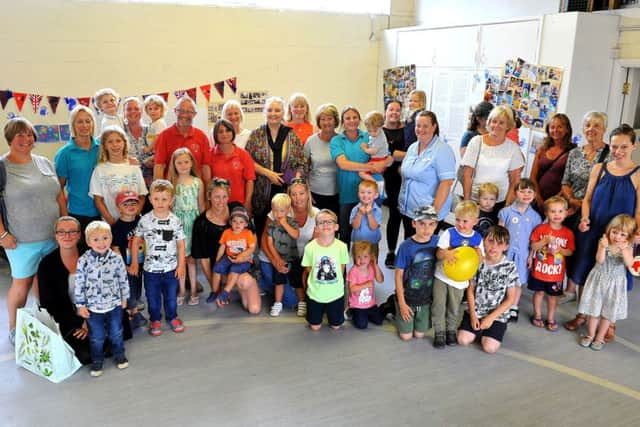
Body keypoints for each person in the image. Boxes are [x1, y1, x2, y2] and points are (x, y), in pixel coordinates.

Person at [565, 124, 640, 341]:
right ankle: (583, 312)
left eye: (623, 147)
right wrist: (585, 219)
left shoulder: (637, 174)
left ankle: (610, 321)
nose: (618, 151)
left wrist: (635, 235)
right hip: (596, 229)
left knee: (615, 278)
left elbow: (638, 210)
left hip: (621, 236)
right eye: (615, 146)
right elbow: (587, 199)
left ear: (633, 146)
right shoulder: (600, 168)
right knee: (586, 270)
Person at [1, 117, 66, 345]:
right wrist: (2, 235)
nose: (26, 139)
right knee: (23, 283)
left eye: (29, 134)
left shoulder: (44, 162)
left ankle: (44, 320)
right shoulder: (2, 167)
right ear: (10, 138)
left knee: (45, 282)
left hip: (52, 236)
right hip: (21, 240)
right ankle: (13, 328)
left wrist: (65, 223)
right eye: (20, 135)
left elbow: (58, 195)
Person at [560, 111, 611, 302]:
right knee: (570, 247)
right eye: (588, 125)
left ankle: (579, 292)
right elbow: (565, 182)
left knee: (585, 250)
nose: (592, 129)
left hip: (594, 210)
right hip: (572, 208)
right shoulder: (574, 153)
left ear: (604, 129)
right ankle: (568, 287)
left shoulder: (610, 155)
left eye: (597, 125)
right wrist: (573, 201)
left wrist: (586, 205)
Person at [193, 179, 261, 314]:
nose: (220, 201)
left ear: (229, 196)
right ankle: (224, 289)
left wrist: (244, 255)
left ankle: (248, 284)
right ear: (209, 196)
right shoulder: (201, 223)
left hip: (241, 264)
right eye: (216, 196)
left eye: (224, 196)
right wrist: (215, 287)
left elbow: (252, 237)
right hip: (221, 269)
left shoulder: (237, 210)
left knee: (254, 309)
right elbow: (205, 260)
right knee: (223, 273)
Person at [129, 180, 186, 336]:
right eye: (156, 199)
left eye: (164, 199)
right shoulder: (145, 220)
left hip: (170, 269)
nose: (160, 203)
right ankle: (155, 319)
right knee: (152, 298)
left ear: (171, 200)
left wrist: (181, 266)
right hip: (150, 270)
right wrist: (134, 262)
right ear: (150, 199)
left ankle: (172, 317)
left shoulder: (175, 221)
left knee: (171, 298)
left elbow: (181, 245)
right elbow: (135, 242)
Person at [245, 96, 308, 238]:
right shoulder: (256, 135)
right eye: (270, 110)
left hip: (286, 192)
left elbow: (301, 162)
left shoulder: (291, 135)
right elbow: (248, 161)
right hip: (262, 193)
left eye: (277, 110)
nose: (273, 113)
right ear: (265, 112)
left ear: (283, 113)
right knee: (264, 231)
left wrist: (296, 182)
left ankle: (283, 260)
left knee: (284, 231)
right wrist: (268, 173)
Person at [74, 221, 130, 377]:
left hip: (114, 305)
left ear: (111, 239)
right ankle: (97, 360)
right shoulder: (84, 260)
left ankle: (119, 354)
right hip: (94, 308)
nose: (101, 243)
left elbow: (123, 279)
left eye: (105, 238)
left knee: (116, 333)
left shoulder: (116, 258)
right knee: (96, 337)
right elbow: (79, 284)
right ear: (88, 242)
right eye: (96, 239)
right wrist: (81, 305)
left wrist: (124, 297)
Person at [330, 106, 388, 246]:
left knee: (368, 234)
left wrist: (383, 164)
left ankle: (368, 267)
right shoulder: (337, 140)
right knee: (345, 233)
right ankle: (344, 268)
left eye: (355, 117)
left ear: (360, 120)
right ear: (342, 122)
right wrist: (369, 167)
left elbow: (386, 155)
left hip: (369, 194)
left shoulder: (369, 135)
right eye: (347, 118)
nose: (351, 120)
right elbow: (343, 164)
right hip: (347, 194)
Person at [38, 216, 91, 364]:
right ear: (55, 235)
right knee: (86, 355)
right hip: (68, 317)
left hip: (95, 312)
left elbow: (104, 289)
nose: (67, 236)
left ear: (80, 235)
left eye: (72, 231)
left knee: (114, 341)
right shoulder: (47, 264)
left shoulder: (91, 255)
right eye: (61, 232)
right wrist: (79, 323)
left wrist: (90, 320)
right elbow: (49, 304)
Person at [457, 225, 518, 354]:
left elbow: (510, 299)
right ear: (484, 241)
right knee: (463, 340)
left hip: (497, 315)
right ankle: (477, 329)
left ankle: (493, 331)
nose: (493, 247)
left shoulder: (509, 267)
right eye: (490, 241)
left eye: (499, 243)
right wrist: (473, 316)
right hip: (476, 310)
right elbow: (470, 290)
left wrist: (491, 318)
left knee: (489, 348)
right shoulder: (477, 262)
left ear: (506, 247)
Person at [578, 214, 635, 351]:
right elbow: (600, 260)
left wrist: (625, 250)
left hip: (615, 283)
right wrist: (603, 247)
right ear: (609, 230)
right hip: (599, 278)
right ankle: (591, 335)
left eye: (622, 234)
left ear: (628, 236)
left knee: (607, 312)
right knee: (594, 310)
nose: (617, 237)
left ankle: (600, 337)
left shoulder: (628, 246)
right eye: (614, 232)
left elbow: (630, 264)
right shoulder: (604, 241)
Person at [433, 200, 483, 348]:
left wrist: (479, 254)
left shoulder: (477, 238)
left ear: (475, 221)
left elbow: (479, 260)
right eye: (457, 220)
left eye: (465, 221)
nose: (460, 224)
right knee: (439, 305)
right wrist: (446, 254)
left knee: (453, 307)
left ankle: (450, 330)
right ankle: (439, 332)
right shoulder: (449, 233)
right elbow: (439, 253)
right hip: (441, 277)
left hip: (460, 281)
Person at [398, 111, 455, 236]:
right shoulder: (413, 147)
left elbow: (446, 183)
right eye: (418, 126)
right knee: (410, 245)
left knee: (424, 252)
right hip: (409, 210)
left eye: (425, 126)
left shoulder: (442, 150)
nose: (420, 129)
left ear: (434, 127)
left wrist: (432, 214)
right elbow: (406, 174)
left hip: (427, 216)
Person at [461, 105, 524, 209]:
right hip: (475, 201)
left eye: (501, 122)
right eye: (494, 121)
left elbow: (515, 180)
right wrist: (467, 202)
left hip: (499, 203)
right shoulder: (476, 142)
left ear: (508, 125)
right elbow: (467, 175)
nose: (496, 125)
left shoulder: (513, 148)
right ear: (489, 123)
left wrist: (507, 206)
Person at [498, 178, 542, 322]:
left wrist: (531, 256)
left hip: (523, 254)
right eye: (522, 191)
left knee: (518, 282)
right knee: (503, 279)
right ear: (515, 193)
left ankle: (513, 306)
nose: (526, 194)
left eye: (530, 191)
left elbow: (535, 240)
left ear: (534, 195)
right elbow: (500, 234)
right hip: (506, 253)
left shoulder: (535, 217)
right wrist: (499, 252)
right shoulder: (506, 212)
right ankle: (500, 304)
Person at [528, 196, 575, 331]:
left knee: (553, 297)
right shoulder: (540, 229)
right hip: (539, 270)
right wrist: (544, 241)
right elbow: (534, 246)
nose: (556, 214)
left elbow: (570, 252)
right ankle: (536, 315)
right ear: (546, 213)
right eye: (553, 211)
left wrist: (560, 249)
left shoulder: (568, 233)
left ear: (566, 213)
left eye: (560, 211)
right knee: (538, 293)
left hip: (556, 274)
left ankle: (551, 318)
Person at [394, 205, 439, 341]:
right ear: (414, 223)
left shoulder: (438, 242)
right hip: (408, 297)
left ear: (436, 225)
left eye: (431, 224)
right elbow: (398, 275)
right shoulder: (406, 246)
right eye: (422, 224)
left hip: (425, 298)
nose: (426, 229)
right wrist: (402, 303)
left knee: (419, 335)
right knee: (406, 336)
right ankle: (394, 304)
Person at [55, 105, 101, 236]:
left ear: (93, 123)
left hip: (103, 211)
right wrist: (65, 218)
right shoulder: (65, 153)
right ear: (73, 125)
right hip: (78, 213)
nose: (84, 125)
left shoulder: (102, 148)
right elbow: (58, 189)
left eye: (88, 121)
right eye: (80, 121)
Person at [167, 147, 205, 306]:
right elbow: (168, 206)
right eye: (179, 162)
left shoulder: (197, 182)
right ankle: (182, 289)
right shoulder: (172, 183)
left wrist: (202, 226)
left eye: (186, 162)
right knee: (180, 259)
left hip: (193, 223)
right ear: (174, 165)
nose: (183, 165)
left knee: (191, 260)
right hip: (178, 225)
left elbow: (201, 205)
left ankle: (194, 288)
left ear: (191, 163)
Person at [301, 209, 350, 331]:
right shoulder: (310, 247)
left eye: (329, 222)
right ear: (316, 228)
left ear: (336, 226)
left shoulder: (342, 247)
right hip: (315, 294)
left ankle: (334, 314)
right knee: (315, 327)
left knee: (336, 326)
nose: (326, 225)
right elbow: (308, 268)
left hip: (335, 294)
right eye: (321, 222)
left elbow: (342, 268)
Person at [89, 125, 148, 224]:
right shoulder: (100, 170)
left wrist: (134, 217)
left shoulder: (134, 167)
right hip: (111, 223)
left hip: (133, 222)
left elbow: (142, 195)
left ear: (124, 143)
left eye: (118, 141)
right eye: (110, 142)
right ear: (104, 146)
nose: (115, 145)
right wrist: (111, 221)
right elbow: (98, 200)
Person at [153, 96, 212, 184]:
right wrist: (159, 191)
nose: (184, 114)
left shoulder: (202, 137)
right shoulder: (164, 136)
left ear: (194, 114)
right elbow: (159, 167)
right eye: (181, 110)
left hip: (195, 191)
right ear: (175, 111)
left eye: (189, 111)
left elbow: (205, 167)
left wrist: (208, 193)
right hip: (172, 191)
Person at [110, 191, 147, 329]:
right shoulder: (117, 227)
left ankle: (134, 305)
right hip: (127, 265)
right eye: (126, 204)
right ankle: (133, 313)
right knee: (129, 288)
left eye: (133, 203)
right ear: (119, 207)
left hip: (142, 261)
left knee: (137, 286)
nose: (130, 206)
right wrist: (125, 267)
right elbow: (116, 249)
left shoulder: (141, 221)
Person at [212, 206, 256, 308]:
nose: (237, 224)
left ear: (246, 224)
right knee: (217, 269)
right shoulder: (227, 232)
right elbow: (222, 248)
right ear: (230, 222)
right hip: (229, 257)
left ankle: (225, 293)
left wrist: (241, 256)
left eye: (241, 222)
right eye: (235, 221)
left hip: (244, 260)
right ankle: (214, 292)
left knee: (234, 270)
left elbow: (251, 249)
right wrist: (217, 261)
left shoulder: (248, 233)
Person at [381, 100, 408, 269]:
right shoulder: (380, 132)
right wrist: (397, 156)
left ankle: (406, 251)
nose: (394, 113)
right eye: (391, 109)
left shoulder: (406, 130)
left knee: (407, 217)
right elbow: (384, 155)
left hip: (406, 178)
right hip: (388, 179)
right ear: (386, 111)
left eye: (398, 110)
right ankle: (391, 252)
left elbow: (413, 152)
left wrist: (395, 156)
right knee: (394, 216)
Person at [529, 113, 574, 212]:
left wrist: (554, 200)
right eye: (552, 127)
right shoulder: (542, 149)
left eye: (560, 127)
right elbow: (532, 176)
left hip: (558, 202)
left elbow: (572, 181)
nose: (555, 130)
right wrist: (539, 198)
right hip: (537, 200)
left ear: (567, 129)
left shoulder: (573, 151)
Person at [266, 194, 301, 316]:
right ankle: (278, 303)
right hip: (280, 259)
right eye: (275, 211)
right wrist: (277, 259)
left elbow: (296, 235)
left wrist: (285, 224)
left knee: (297, 282)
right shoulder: (271, 226)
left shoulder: (292, 222)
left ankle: (302, 302)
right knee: (279, 282)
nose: (278, 214)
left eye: (281, 210)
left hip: (293, 257)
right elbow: (270, 244)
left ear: (288, 210)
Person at [209, 119, 256, 209]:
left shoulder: (243, 154)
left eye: (228, 130)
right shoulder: (210, 154)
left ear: (232, 132)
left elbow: (250, 180)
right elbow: (207, 181)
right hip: (217, 205)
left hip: (239, 204)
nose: (224, 134)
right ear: (215, 135)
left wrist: (248, 202)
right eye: (220, 132)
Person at [304, 103, 339, 214]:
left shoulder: (342, 140)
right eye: (323, 119)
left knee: (334, 228)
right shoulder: (311, 141)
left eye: (330, 119)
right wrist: (306, 191)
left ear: (335, 121)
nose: (326, 122)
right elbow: (304, 168)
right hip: (315, 193)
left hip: (338, 193)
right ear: (319, 122)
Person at [347, 240, 384, 329]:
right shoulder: (353, 271)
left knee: (379, 321)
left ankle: (385, 306)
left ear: (371, 257)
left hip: (371, 304)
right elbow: (352, 289)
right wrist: (366, 284)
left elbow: (380, 280)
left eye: (365, 256)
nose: (362, 260)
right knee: (362, 325)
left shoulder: (371, 267)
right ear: (354, 257)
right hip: (357, 305)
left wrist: (376, 265)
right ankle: (351, 312)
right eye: (358, 257)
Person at [122, 97, 153, 189]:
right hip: (129, 184)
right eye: (129, 109)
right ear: (124, 113)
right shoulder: (120, 133)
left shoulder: (151, 130)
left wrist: (153, 159)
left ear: (142, 111)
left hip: (151, 183)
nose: (133, 112)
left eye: (136, 109)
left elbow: (161, 150)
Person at [359, 111, 389, 201]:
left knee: (361, 172)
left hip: (378, 159)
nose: (372, 133)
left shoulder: (380, 138)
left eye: (374, 131)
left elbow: (372, 151)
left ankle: (377, 184)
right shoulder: (378, 133)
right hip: (379, 158)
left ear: (381, 126)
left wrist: (364, 148)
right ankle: (380, 184)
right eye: (369, 131)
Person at [350, 180, 382, 255]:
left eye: (369, 193)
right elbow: (355, 226)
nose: (365, 195)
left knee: (372, 264)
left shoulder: (377, 210)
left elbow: (374, 227)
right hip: (358, 242)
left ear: (376, 195)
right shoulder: (355, 209)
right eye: (362, 192)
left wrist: (370, 214)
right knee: (358, 263)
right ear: (358, 194)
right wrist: (360, 214)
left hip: (373, 243)